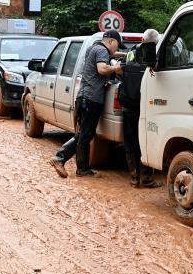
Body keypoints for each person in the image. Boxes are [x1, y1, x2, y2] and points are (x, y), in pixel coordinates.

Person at [50, 30, 123, 178]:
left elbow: (111, 56)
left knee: (84, 133)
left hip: (83, 97)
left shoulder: (93, 48)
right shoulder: (102, 51)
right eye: (117, 45)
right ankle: (60, 158)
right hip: (91, 99)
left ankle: (81, 168)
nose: (117, 48)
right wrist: (116, 68)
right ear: (111, 41)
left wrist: (126, 55)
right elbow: (102, 69)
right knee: (85, 134)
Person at [119, 29, 162, 188]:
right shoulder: (157, 55)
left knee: (129, 142)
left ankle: (134, 178)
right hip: (146, 107)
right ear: (156, 42)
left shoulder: (131, 53)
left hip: (127, 104)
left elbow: (121, 71)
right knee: (145, 141)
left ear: (142, 39)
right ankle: (147, 178)